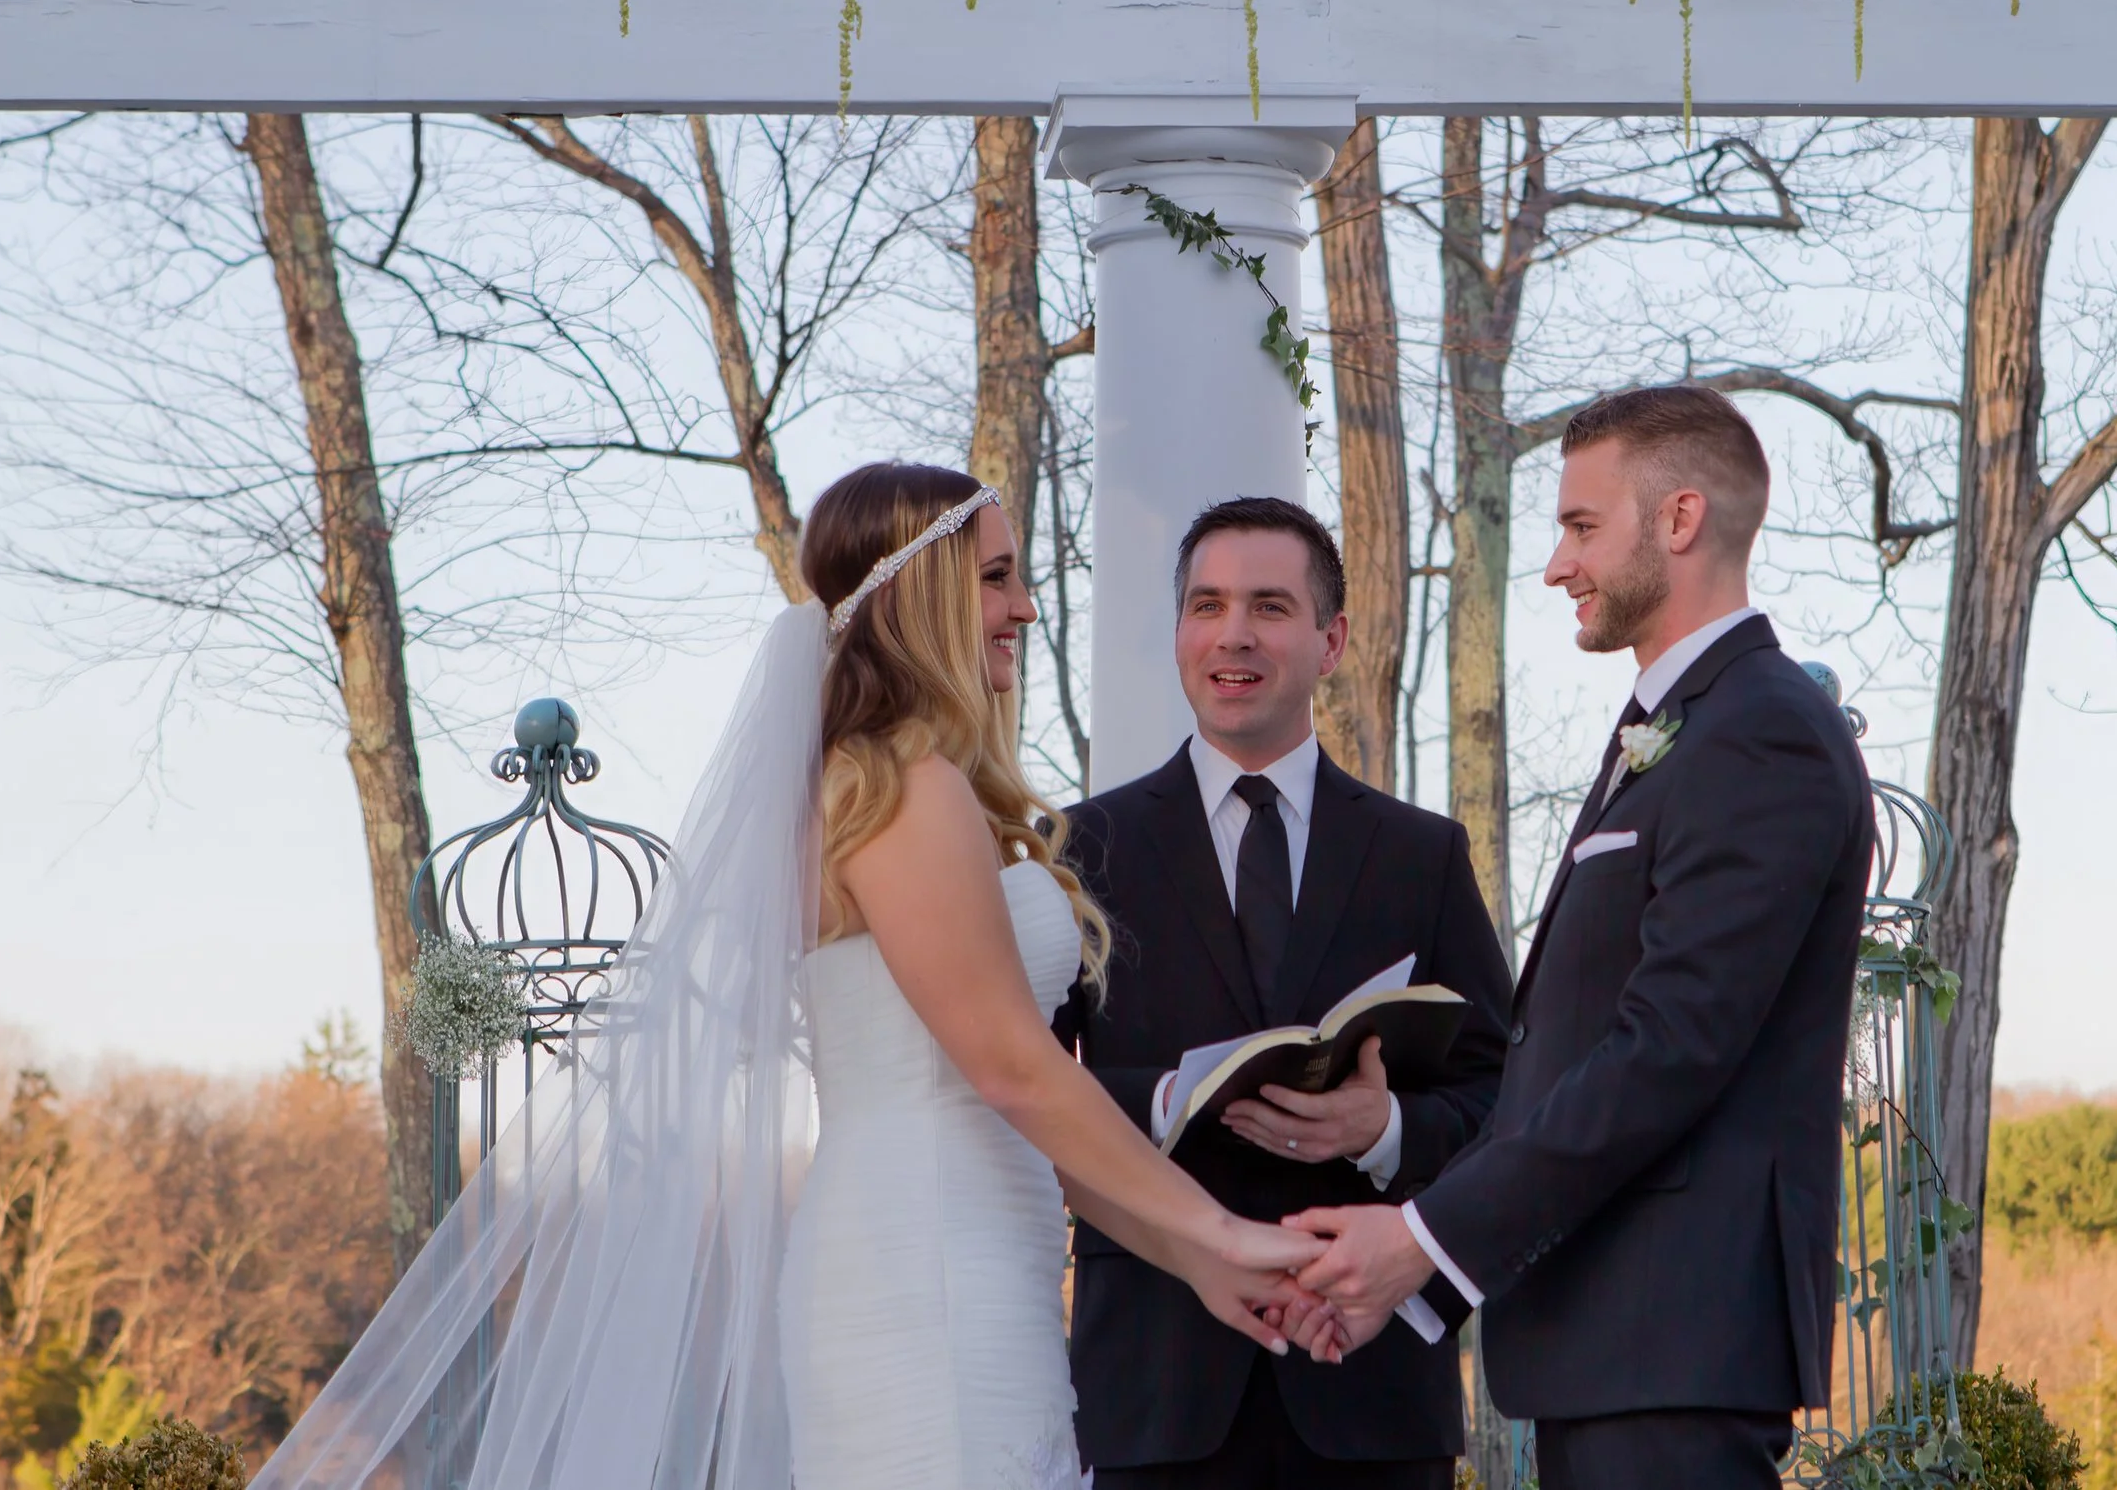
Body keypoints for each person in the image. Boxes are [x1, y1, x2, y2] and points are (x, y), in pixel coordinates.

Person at [252, 462, 1327, 1490]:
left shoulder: (895, 780)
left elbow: (1025, 1107)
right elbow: (1015, 1071)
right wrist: (1220, 1224)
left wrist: (1201, 1261)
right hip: (926, 1270)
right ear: (922, 590)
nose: (1025, 607)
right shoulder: (903, 783)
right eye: (997, 576)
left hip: (963, 1255)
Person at [1283, 388, 1877, 1490]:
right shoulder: (1683, 723)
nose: (1556, 564)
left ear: (1680, 518)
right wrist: (1407, 1191)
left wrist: (1424, 1237)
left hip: (1676, 1342)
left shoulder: (1759, 732)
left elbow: (1667, 1049)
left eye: (1580, 526)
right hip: (1615, 1341)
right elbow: (1565, 1049)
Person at [1052, 497, 1513, 1490]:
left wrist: (1382, 1124)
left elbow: (1504, 1098)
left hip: (1370, 1382)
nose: (1233, 634)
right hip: (1156, 1387)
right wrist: (1174, 1093)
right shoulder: (1079, 849)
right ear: (1179, 631)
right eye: (1206, 604)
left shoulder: (1419, 855)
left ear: (1331, 638)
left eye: (1268, 605)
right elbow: (1026, 1093)